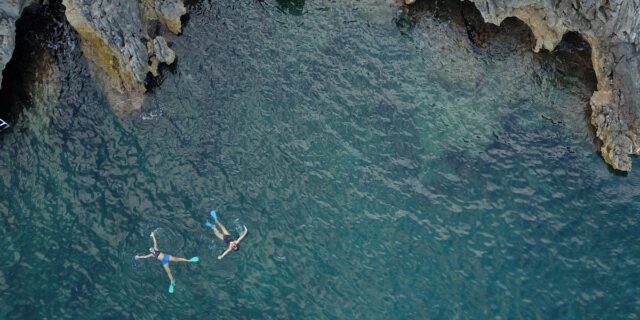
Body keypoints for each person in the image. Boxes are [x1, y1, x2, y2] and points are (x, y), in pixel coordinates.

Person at [135, 231, 199, 293]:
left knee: (177, 259)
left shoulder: (156, 249)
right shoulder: (152, 255)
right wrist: (138, 257)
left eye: (151, 249)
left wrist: (153, 235)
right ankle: (172, 282)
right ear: (151, 252)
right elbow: (145, 257)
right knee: (168, 272)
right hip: (164, 261)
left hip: (167, 257)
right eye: (151, 250)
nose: (152, 250)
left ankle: (189, 260)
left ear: (153, 249)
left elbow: (155, 242)